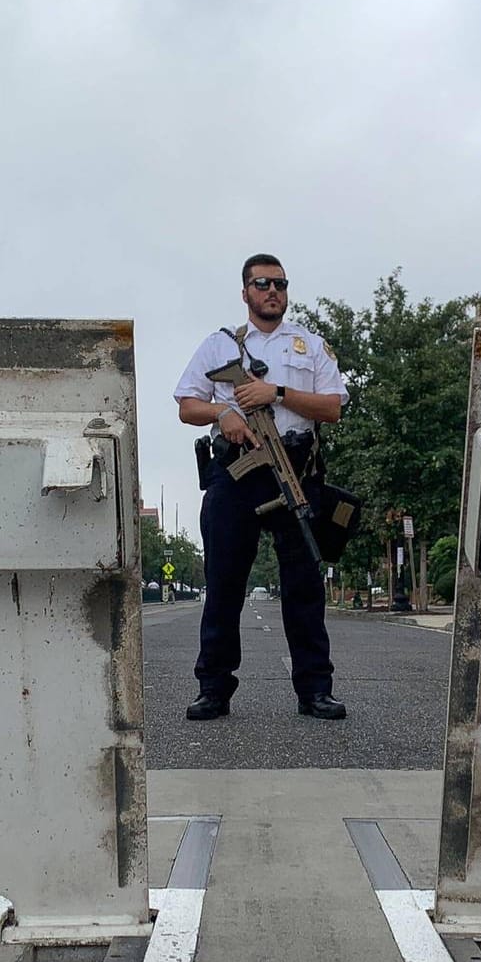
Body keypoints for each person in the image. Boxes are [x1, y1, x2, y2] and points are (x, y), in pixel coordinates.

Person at [173, 254, 349, 721]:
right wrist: (223, 413)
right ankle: (213, 687)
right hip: (237, 471)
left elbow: (332, 407)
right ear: (245, 292)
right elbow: (188, 404)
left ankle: (315, 689)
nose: (272, 291)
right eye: (262, 283)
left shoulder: (309, 345)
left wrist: (278, 394)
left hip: (296, 466)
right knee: (224, 583)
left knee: (304, 585)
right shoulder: (220, 345)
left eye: (280, 284)